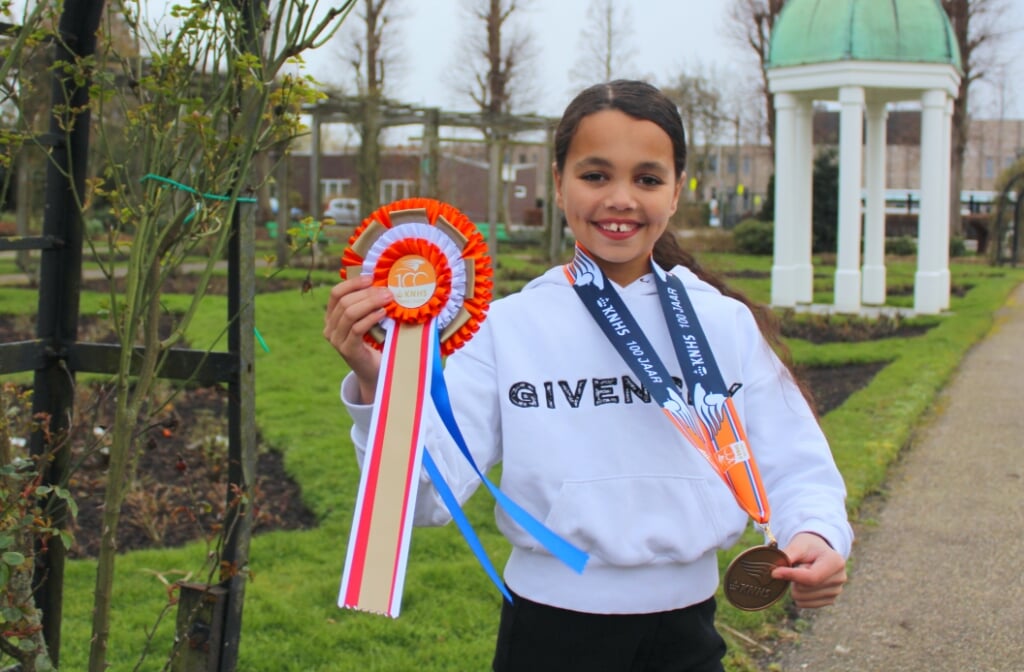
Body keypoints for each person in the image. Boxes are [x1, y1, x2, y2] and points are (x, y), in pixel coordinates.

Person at [324, 80, 852, 672]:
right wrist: (379, 382)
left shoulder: (722, 323)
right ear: (558, 182)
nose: (620, 199)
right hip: (549, 633)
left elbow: (798, 467)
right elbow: (423, 496)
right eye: (595, 176)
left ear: (677, 191)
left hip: (689, 636)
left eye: (647, 179)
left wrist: (817, 534)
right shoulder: (507, 327)